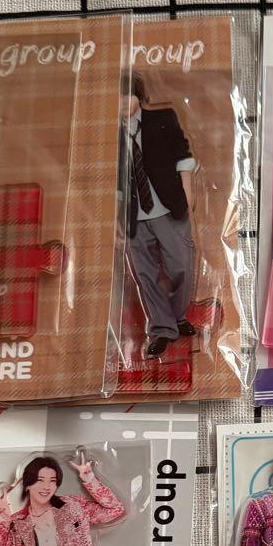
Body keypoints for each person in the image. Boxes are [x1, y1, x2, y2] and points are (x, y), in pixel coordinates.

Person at [121, 73, 199, 358]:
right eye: (116, 98)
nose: (122, 103)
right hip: (133, 215)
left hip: (168, 207)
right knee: (145, 275)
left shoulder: (162, 118)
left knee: (181, 266)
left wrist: (188, 193)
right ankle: (163, 329)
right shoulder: (109, 133)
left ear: (139, 97)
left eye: (127, 96)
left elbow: (183, 156)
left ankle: (177, 316)